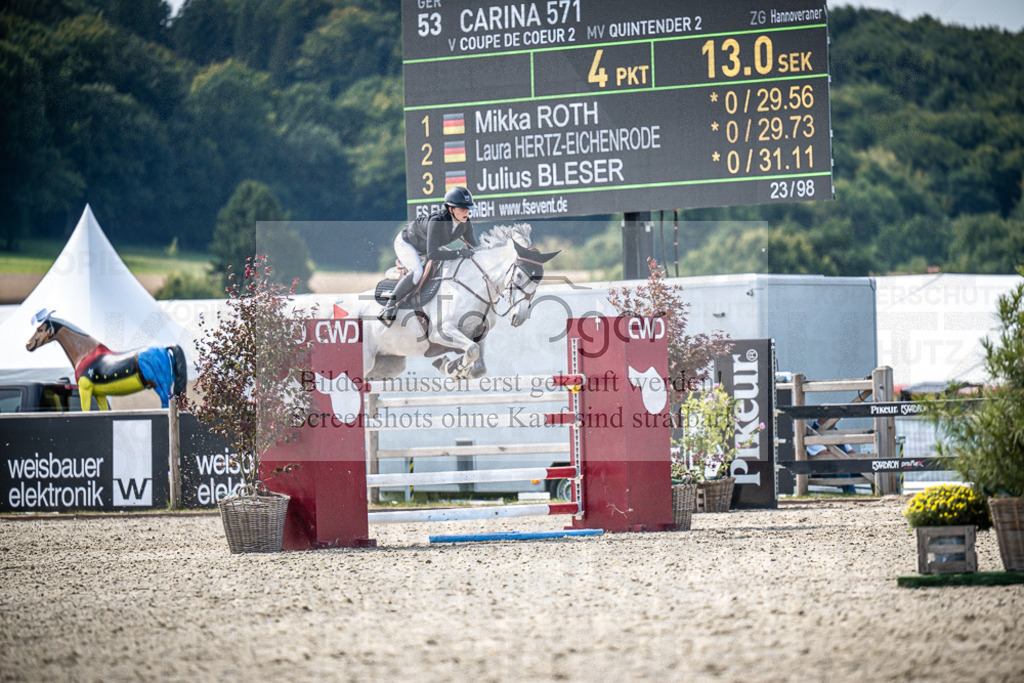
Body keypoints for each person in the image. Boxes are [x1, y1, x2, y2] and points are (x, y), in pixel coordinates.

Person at [379, 186, 478, 321]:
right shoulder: (436, 221)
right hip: (406, 243)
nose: (466, 213)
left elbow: (474, 249)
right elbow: (433, 254)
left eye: (468, 209)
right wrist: (460, 252)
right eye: (462, 209)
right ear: (450, 209)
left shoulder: (465, 224)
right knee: (417, 272)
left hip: (425, 247)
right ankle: (389, 307)